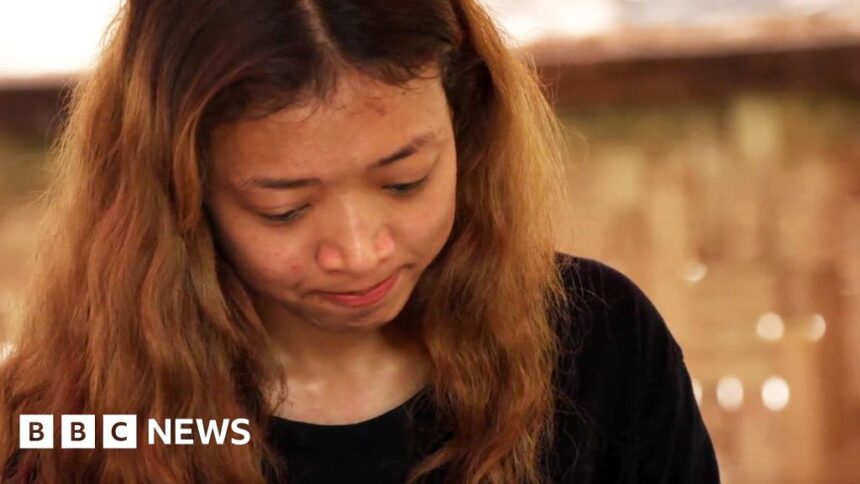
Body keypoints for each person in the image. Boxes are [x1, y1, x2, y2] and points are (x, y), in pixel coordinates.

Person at [0, 0, 720, 483]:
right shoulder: (70, 427)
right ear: (175, 193)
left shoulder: (599, 344)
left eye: (405, 182)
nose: (360, 251)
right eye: (283, 209)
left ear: (467, 125)